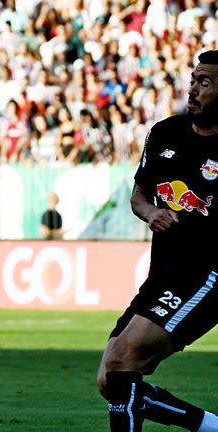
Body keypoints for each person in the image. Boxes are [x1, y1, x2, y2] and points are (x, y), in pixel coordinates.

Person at [96, 50, 218, 432]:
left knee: (122, 363)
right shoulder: (165, 133)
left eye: (205, 82)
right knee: (109, 380)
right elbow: (139, 195)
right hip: (162, 275)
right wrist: (151, 213)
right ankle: (210, 426)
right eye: (193, 80)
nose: (194, 89)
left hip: (206, 276)